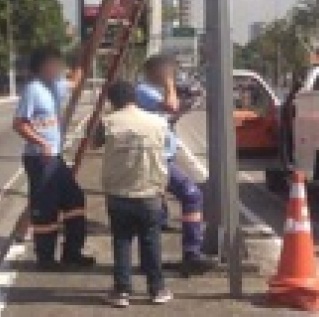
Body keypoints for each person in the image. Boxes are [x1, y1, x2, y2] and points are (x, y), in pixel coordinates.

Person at [13, 45, 95, 270]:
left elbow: (75, 81)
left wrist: (83, 57)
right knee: (46, 208)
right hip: (39, 158)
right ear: (41, 67)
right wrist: (41, 143)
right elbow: (19, 124)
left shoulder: (55, 86)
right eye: (54, 64)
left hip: (55, 157)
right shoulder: (33, 90)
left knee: (75, 200)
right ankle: (46, 258)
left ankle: (72, 252)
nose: (59, 68)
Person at [95, 81, 173, 307]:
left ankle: (121, 291)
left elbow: (92, 144)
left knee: (121, 241)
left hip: (119, 192)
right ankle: (157, 289)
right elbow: (166, 150)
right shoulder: (158, 122)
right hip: (150, 191)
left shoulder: (108, 122)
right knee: (151, 241)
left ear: (112, 101)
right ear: (135, 97)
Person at [135, 54, 214, 275]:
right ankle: (191, 253)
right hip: (156, 157)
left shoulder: (151, 91)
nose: (173, 76)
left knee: (155, 210)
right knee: (191, 195)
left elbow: (170, 112)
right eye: (169, 72)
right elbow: (170, 106)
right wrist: (170, 83)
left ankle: (154, 259)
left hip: (161, 155)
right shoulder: (144, 90)